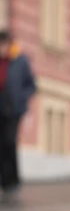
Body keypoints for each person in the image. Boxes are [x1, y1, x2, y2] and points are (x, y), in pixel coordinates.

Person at [0, 31, 36, 201]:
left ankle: (12, 182)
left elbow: (31, 85)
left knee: (9, 143)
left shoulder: (20, 61)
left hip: (13, 109)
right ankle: (3, 181)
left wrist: (22, 99)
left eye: (4, 44)